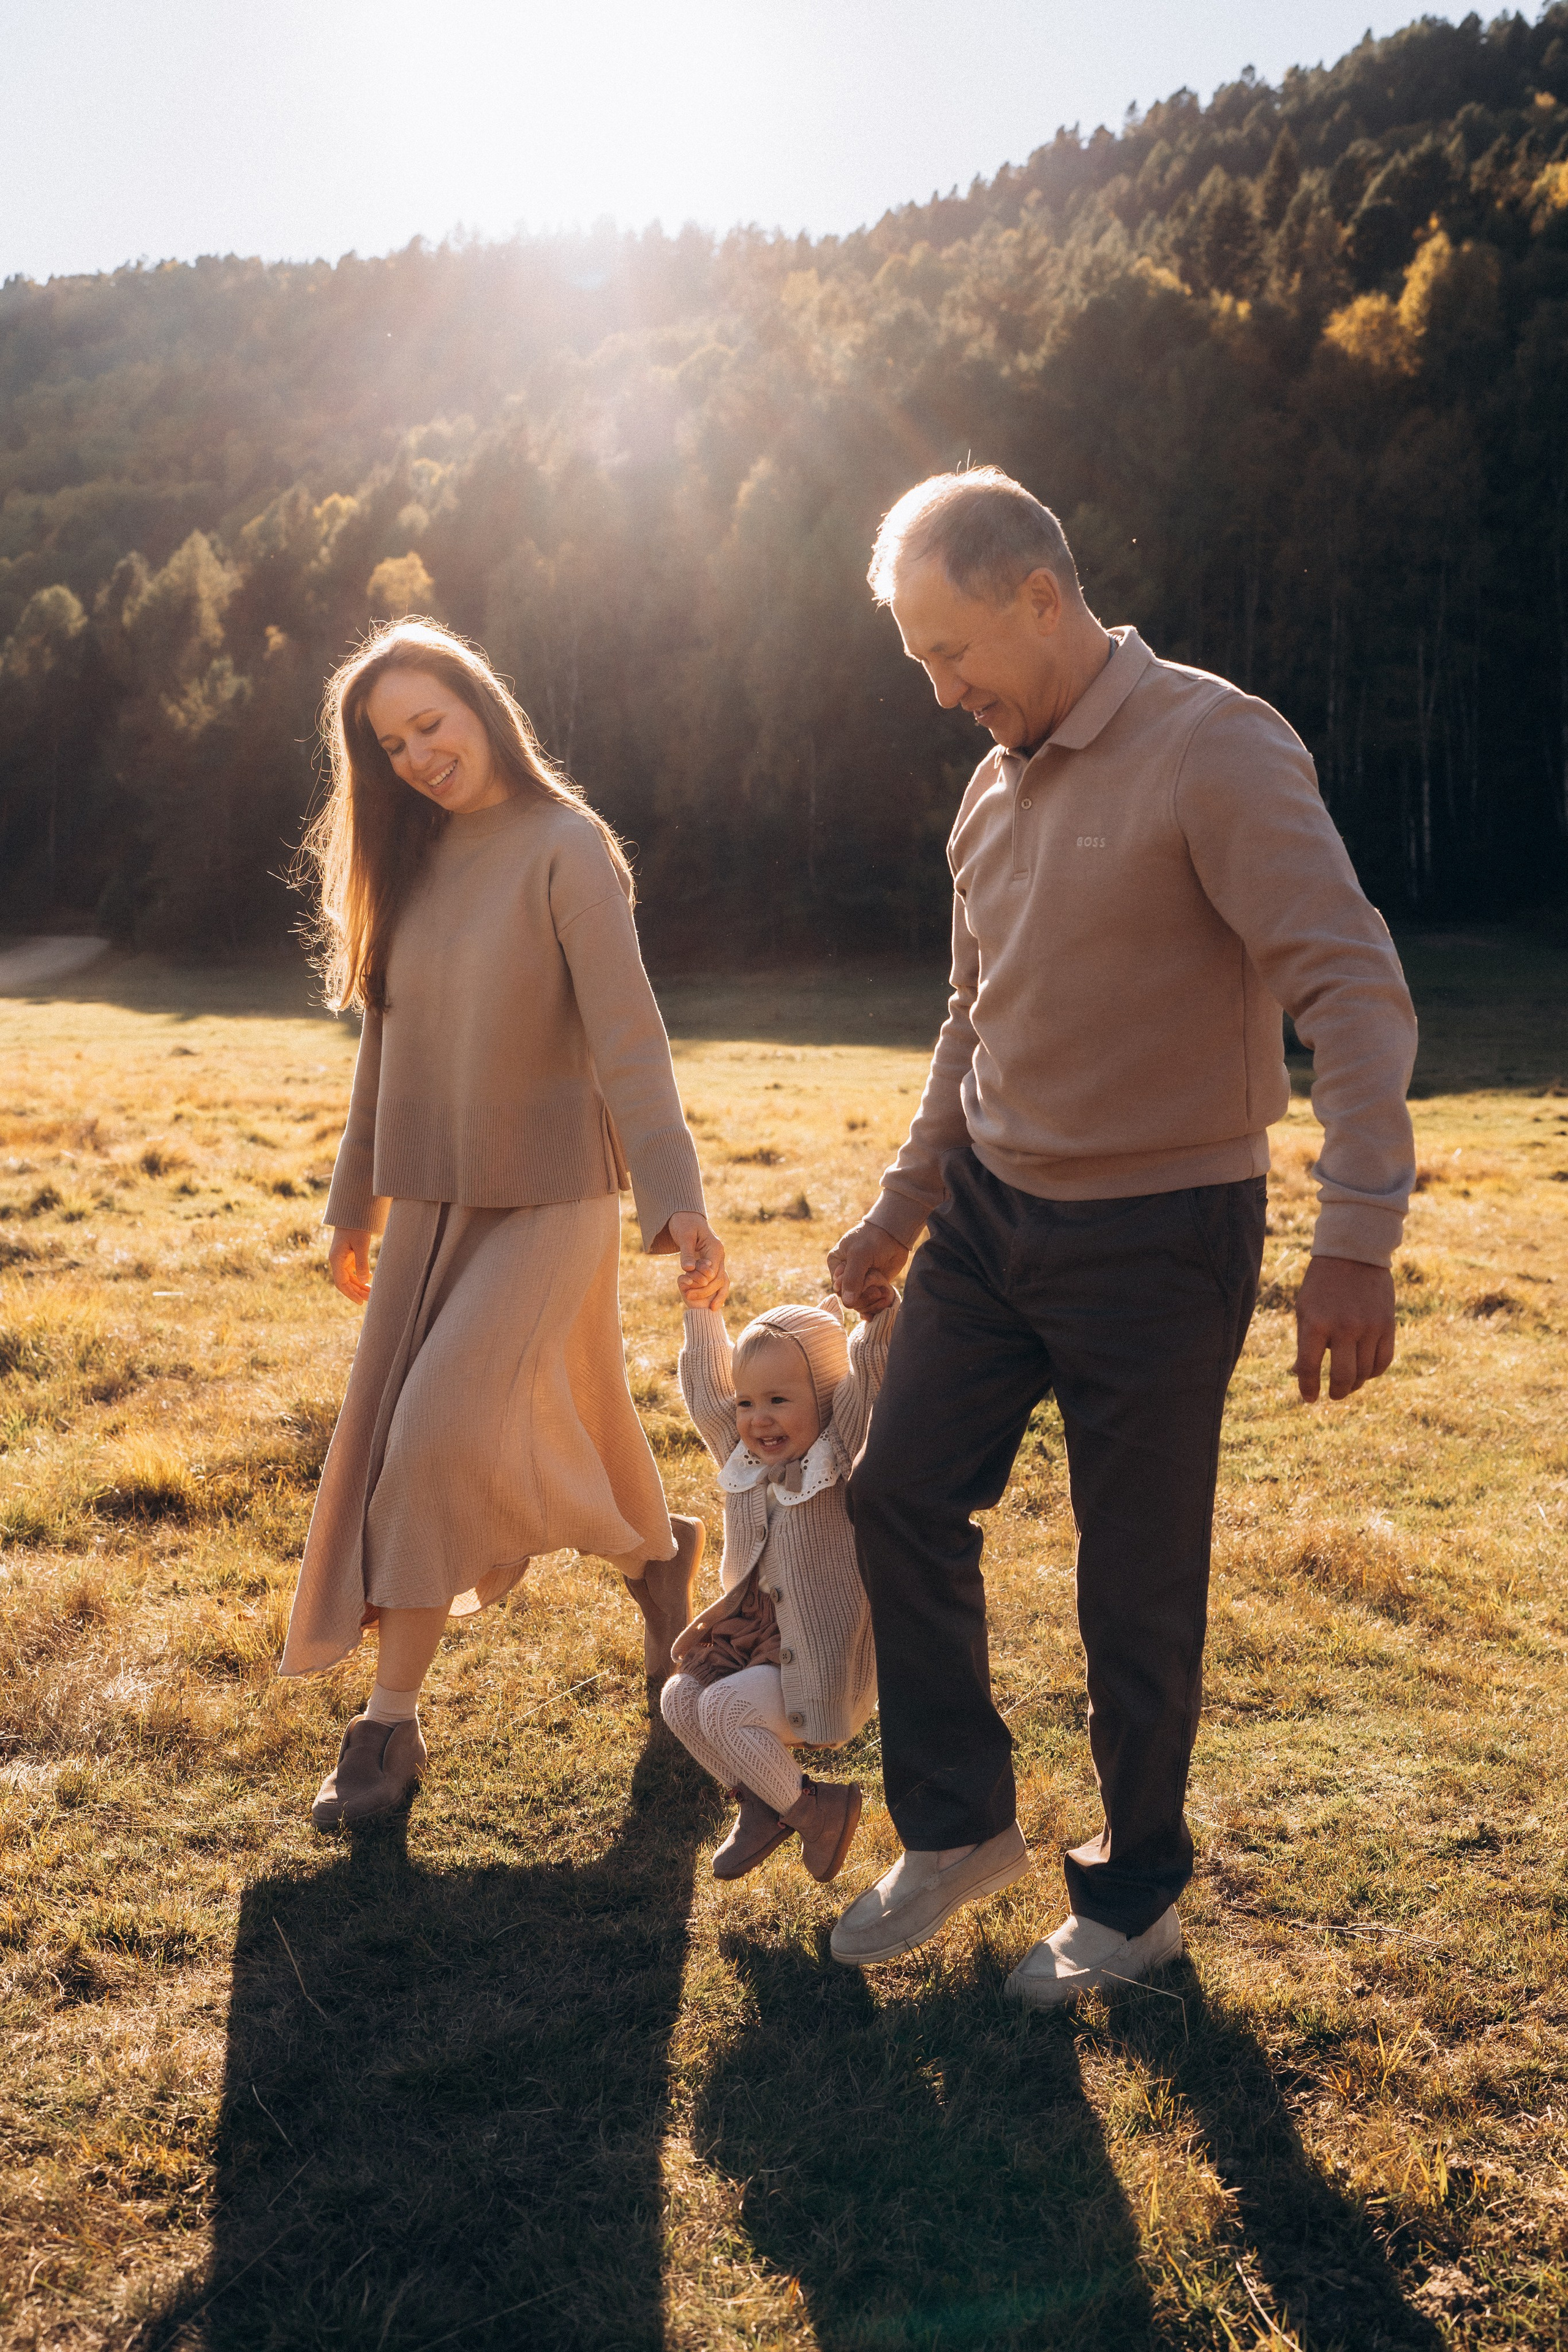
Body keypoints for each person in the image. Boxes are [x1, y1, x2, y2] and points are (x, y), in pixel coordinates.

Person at [827, 469, 1418, 2002]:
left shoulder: (1211, 746)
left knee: (1132, 1580)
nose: (942, 689)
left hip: (1161, 1233)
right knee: (891, 1493)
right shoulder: (987, 786)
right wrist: (904, 1201)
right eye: (917, 665)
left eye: (953, 651)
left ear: (1040, 594)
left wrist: (1353, 1235)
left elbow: (1345, 985)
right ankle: (958, 1828)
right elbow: (973, 1017)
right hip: (987, 1220)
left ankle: (1134, 1896)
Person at [280, 617, 724, 1829]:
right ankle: (653, 1551)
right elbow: (384, 1049)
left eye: (432, 723)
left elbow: (627, 1037)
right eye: (391, 743)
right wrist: (351, 1204)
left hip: (552, 1197)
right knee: (529, 1418)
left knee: (431, 1434)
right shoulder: (406, 863)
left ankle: (386, 1728)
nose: (419, 754)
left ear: (481, 707)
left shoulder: (567, 847)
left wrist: (676, 1200)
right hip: (429, 1198)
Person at [660, 1265, 898, 1884]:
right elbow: (704, 1392)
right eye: (748, 1403)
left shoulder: (838, 1456)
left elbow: (868, 1387)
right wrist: (702, 1312)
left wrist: (875, 1322)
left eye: (779, 1401)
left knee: (720, 1711)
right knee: (681, 1699)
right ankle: (776, 1807)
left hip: (817, 1655)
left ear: (822, 1402)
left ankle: (817, 1811)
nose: (758, 1420)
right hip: (751, 1640)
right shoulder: (742, 1457)